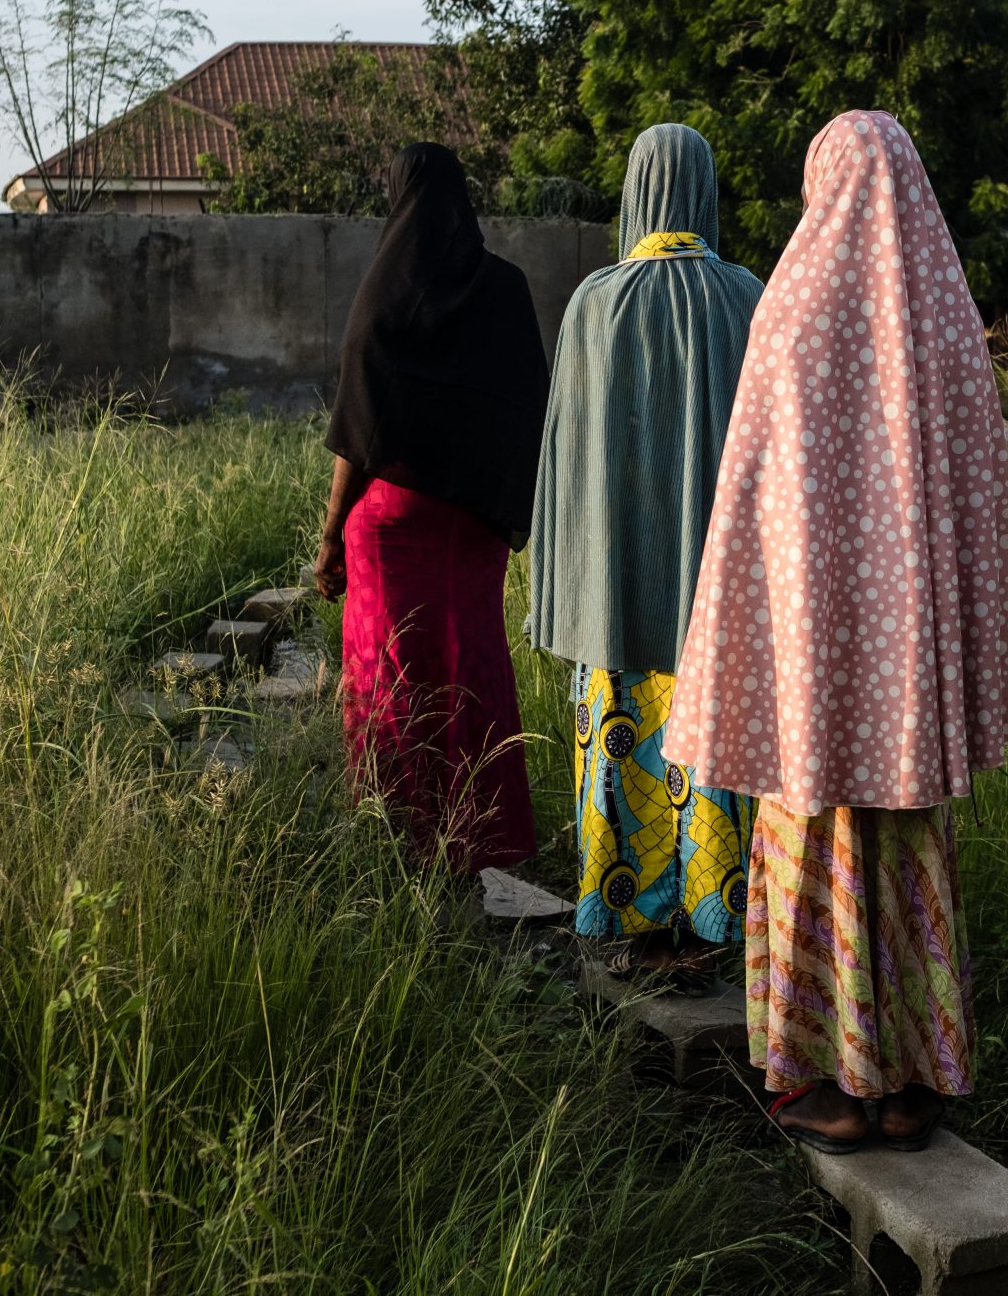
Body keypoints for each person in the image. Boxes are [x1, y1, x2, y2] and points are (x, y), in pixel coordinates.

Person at [664, 110, 1008, 1154]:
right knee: (908, 853)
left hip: (812, 684)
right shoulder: (950, 325)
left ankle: (833, 1084)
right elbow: (977, 513)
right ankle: (914, 1085)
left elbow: (750, 509)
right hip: (906, 688)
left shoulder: (789, 312)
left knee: (812, 855)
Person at [528, 124, 765, 977]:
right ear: (705, 189)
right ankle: (717, 910)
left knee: (623, 742)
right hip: (721, 587)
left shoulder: (594, 301)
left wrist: (561, 577)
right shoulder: (747, 295)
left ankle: (626, 910)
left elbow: (565, 460)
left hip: (617, 583)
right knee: (717, 750)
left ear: (633, 190)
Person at [312, 142, 550, 873]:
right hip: (474, 528)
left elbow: (359, 422)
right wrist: (511, 513)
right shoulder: (506, 290)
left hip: (394, 524)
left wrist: (328, 541)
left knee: (393, 676)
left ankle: (398, 843)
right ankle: (487, 841)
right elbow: (531, 408)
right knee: (472, 667)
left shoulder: (387, 289)